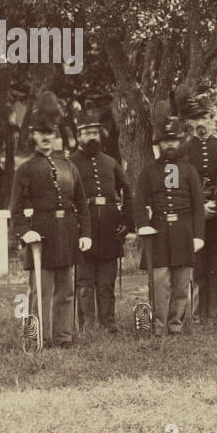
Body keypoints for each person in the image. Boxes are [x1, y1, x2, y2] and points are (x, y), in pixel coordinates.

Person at [9, 91, 91, 346]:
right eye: (41, 134)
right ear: (34, 136)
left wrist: (85, 232)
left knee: (66, 290)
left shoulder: (68, 166)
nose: (46, 139)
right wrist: (24, 232)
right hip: (41, 235)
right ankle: (38, 338)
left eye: (51, 134)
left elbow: (81, 202)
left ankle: (63, 337)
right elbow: (16, 208)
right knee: (41, 291)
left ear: (56, 136)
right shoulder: (26, 169)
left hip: (67, 233)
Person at [134, 114, 206, 336]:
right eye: (165, 141)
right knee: (160, 281)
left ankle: (176, 325)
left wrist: (198, 235)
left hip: (184, 229)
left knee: (181, 282)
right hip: (158, 231)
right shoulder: (149, 171)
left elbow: (198, 205)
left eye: (173, 140)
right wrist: (143, 225)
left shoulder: (189, 170)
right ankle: (158, 326)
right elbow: (138, 202)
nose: (170, 145)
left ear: (180, 142)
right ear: (158, 144)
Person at [70, 104, 132, 331]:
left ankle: (109, 323)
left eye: (95, 133)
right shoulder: (71, 163)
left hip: (109, 228)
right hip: (83, 229)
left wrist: (126, 221)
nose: (91, 137)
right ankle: (87, 325)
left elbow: (127, 192)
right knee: (85, 282)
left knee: (106, 282)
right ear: (78, 136)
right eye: (86, 133)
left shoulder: (111, 162)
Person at [184, 100, 217, 324]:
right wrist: (200, 208)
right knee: (198, 267)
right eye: (196, 119)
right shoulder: (184, 150)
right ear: (190, 123)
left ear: (213, 121)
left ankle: (216, 313)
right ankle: (196, 314)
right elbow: (180, 187)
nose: (201, 123)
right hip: (195, 219)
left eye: (205, 118)